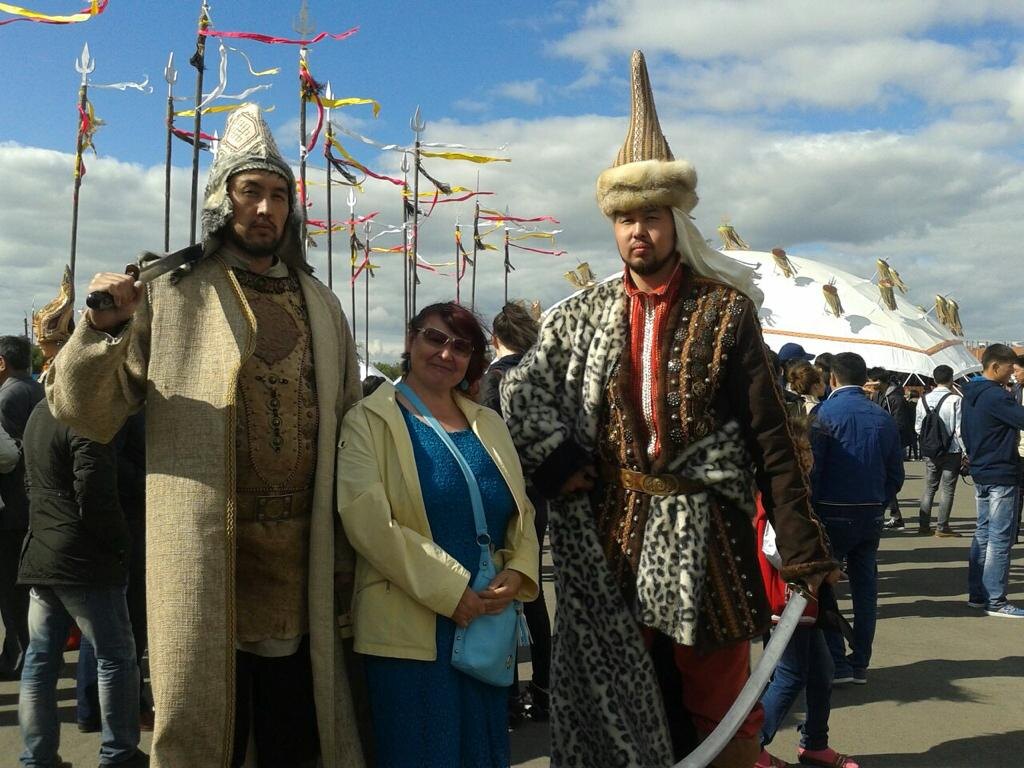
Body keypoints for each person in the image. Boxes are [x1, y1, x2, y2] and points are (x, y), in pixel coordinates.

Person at [501, 50, 838, 767]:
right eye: (624, 220)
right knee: (618, 703)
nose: (637, 233)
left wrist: (803, 551)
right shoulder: (583, 313)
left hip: (706, 537)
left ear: (674, 219)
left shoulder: (726, 311)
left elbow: (771, 440)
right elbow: (521, 389)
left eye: (650, 217)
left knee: (719, 707)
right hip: (611, 539)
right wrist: (557, 459)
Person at [45, 104, 366, 767]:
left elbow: (353, 430)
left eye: (279, 194)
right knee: (207, 731)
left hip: (302, 568)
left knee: (296, 738)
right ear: (222, 200)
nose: (266, 208)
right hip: (207, 562)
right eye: (251, 191)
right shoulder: (170, 293)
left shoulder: (324, 305)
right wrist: (101, 328)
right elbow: (86, 412)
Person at [337, 302, 540, 768]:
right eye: (435, 338)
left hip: (485, 623)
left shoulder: (487, 422)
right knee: (422, 752)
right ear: (411, 341)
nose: (446, 353)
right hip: (411, 632)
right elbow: (367, 523)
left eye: (461, 345)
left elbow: (520, 510)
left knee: (481, 753)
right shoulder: (368, 420)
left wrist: (520, 570)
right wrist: (451, 591)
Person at [17, 398, 146, 767]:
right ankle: (119, 753)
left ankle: (37, 757)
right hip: (83, 557)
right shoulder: (87, 416)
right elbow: (95, 492)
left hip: (43, 547)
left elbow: (32, 480)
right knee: (116, 657)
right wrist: (121, 543)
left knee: (40, 660)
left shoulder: (41, 411)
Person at [756, 414, 859, 768]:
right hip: (791, 600)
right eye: (805, 452)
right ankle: (751, 748)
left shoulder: (790, 491)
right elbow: (775, 547)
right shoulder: (783, 495)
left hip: (802, 600)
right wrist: (818, 569)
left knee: (821, 670)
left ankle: (814, 742)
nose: (811, 458)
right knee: (791, 673)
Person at [480, 301, 554, 723]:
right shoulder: (544, 378)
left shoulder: (493, 382)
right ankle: (543, 691)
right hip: (539, 495)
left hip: (503, 494)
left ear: (495, 338)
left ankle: (507, 696)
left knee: (502, 594)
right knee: (534, 596)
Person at [811, 353, 904, 685]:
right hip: (870, 510)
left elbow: (813, 469)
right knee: (866, 588)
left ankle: (837, 661)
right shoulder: (881, 416)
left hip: (831, 508)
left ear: (832, 378)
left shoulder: (823, 415)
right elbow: (896, 473)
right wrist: (879, 498)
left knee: (825, 585)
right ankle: (860, 659)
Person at [961, 344, 1024, 618]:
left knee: (983, 533)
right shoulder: (996, 396)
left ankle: (978, 594)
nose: (1013, 373)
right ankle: (996, 599)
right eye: (1010, 368)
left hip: (982, 468)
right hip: (1000, 470)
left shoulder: (971, 394)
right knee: (999, 538)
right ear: (995, 366)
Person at [0, 335, 45, 681]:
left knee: (11, 587)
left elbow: (10, 455)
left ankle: (19, 654)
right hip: (32, 501)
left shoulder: (7, 396)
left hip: (11, 506)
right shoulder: (32, 389)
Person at [915, 365, 964, 536]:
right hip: (952, 450)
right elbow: (959, 430)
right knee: (948, 489)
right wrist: (966, 452)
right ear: (951, 379)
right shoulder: (956, 400)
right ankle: (942, 527)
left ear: (934, 380)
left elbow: (918, 427)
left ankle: (923, 525)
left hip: (931, 451)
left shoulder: (923, 400)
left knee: (929, 487)